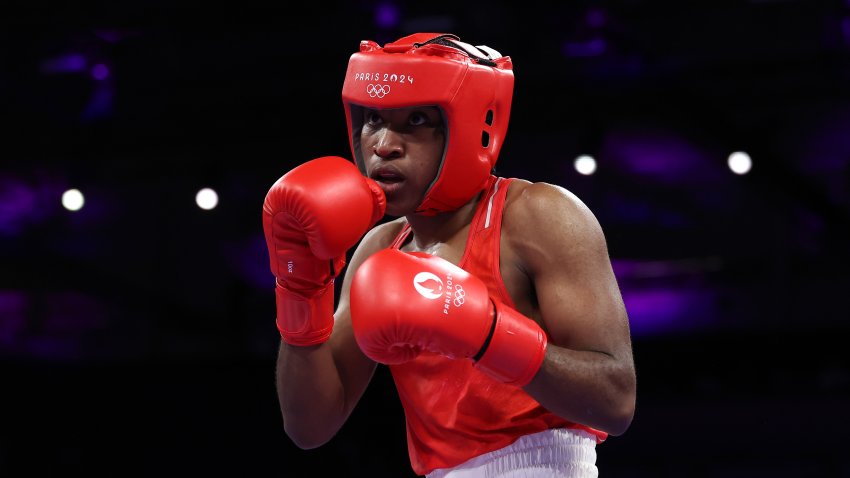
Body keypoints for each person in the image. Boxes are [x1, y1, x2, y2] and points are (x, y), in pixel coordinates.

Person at [262, 32, 637, 477]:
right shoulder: (378, 249)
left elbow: (616, 402)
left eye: (417, 120)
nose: (384, 145)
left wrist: (486, 332)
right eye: (373, 120)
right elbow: (309, 427)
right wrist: (300, 287)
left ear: (471, 127)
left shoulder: (539, 216)